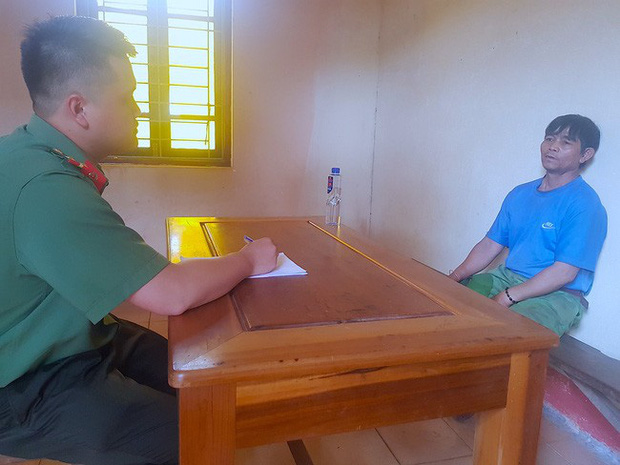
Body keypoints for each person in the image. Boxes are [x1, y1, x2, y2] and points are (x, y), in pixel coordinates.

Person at [0, 16, 277, 465]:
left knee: (199, 375)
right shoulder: (45, 187)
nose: (139, 110)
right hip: (23, 379)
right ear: (79, 108)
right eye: (128, 97)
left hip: (74, 335)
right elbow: (169, 293)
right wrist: (248, 259)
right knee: (198, 436)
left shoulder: (26, 153)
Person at [448, 114, 607, 337]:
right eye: (549, 139)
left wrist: (507, 297)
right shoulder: (519, 194)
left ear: (585, 154)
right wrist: (452, 279)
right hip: (507, 277)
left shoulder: (585, 204)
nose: (553, 147)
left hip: (558, 294)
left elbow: (564, 273)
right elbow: (489, 245)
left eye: (565, 142)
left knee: (509, 332)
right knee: (454, 302)